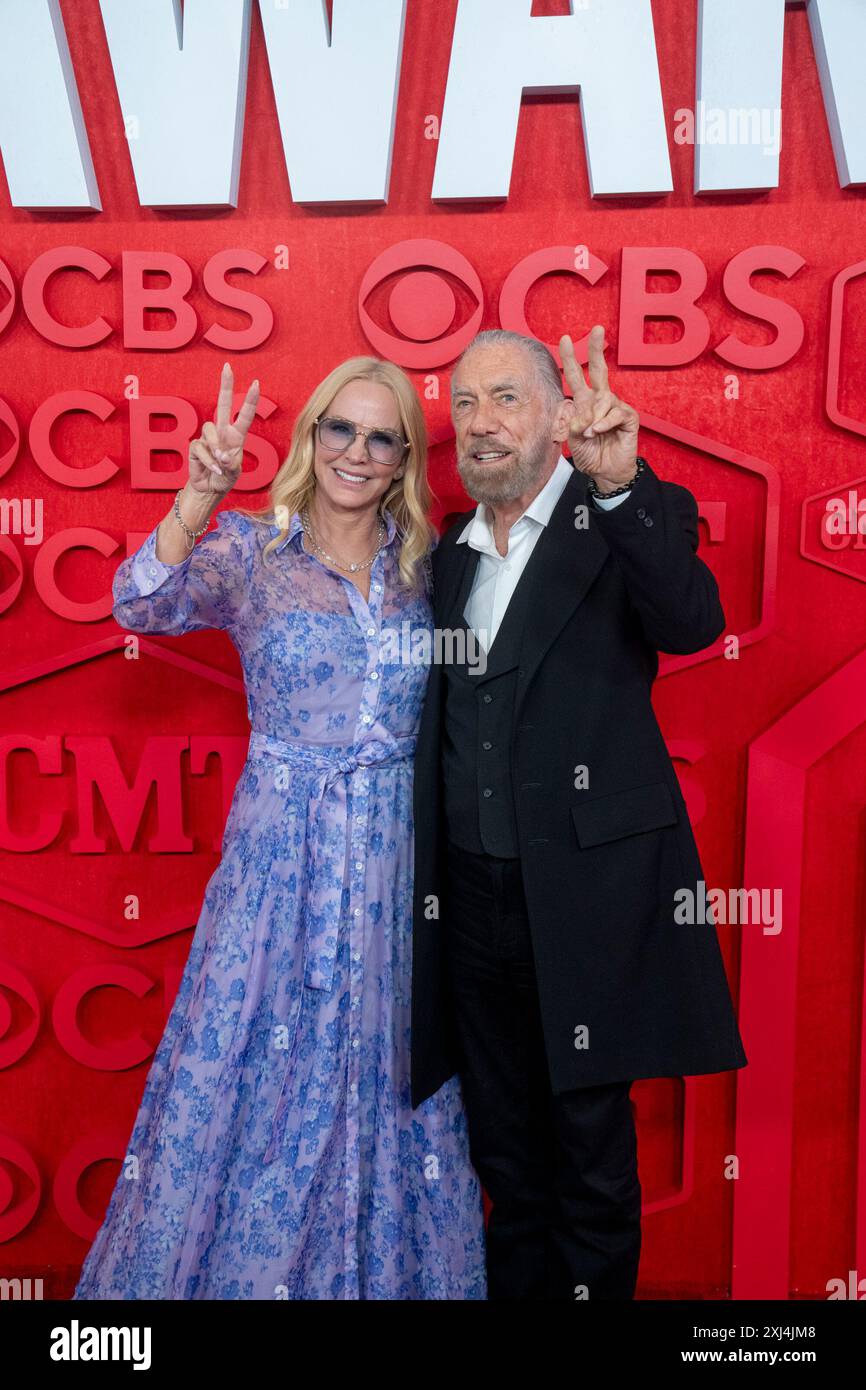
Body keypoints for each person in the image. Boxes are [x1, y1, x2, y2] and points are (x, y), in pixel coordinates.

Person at [73, 358, 486, 1300]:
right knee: (254, 1066)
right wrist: (197, 492)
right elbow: (137, 601)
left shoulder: (429, 565)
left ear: (404, 461)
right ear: (310, 437)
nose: (356, 452)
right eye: (340, 428)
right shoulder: (251, 550)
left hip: (393, 863)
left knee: (392, 1073)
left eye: (382, 438)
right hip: (278, 864)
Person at [410, 325, 748, 1301]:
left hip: (587, 903)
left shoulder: (630, 512)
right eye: (465, 403)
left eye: (505, 398)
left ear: (560, 414)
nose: (479, 423)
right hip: (469, 906)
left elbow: (692, 622)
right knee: (506, 1165)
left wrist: (617, 484)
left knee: (590, 1164)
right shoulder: (447, 558)